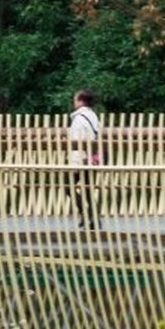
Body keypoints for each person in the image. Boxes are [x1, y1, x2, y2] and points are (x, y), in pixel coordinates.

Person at [68, 89, 102, 232]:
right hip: (92, 158)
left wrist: (74, 163)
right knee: (87, 189)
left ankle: (86, 213)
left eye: (75, 99)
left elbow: (77, 142)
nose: (73, 101)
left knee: (67, 185)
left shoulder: (79, 118)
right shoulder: (93, 116)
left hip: (81, 158)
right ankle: (95, 220)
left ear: (81, 100)